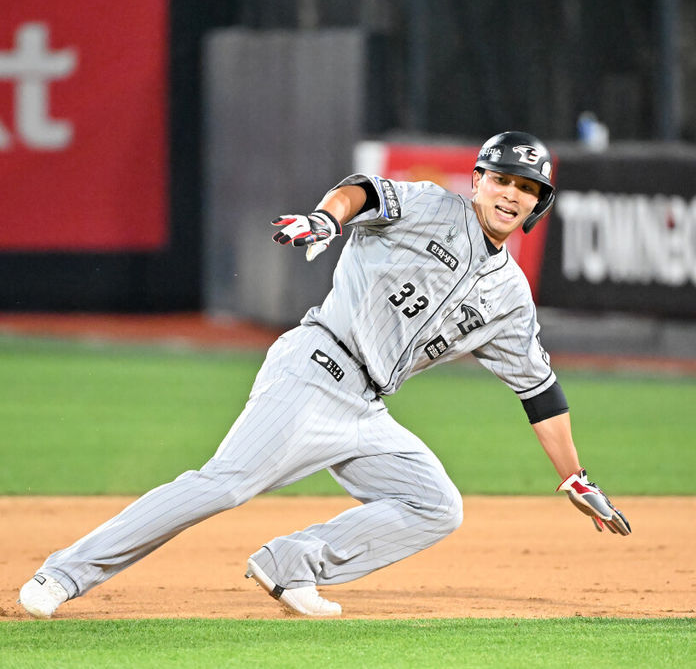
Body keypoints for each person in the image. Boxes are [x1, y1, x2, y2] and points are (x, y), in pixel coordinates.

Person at [18, 131, 630, 619]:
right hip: (316, 367)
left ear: (537, 203)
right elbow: (362, 190)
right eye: (500, 179)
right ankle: (64, 573)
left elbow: (538, 389)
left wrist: (574, 478)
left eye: (526, 187)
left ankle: (292, 564)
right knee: (223, 485)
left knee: (435, 504)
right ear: (477, 181)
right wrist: (326, 219)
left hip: (366, 409)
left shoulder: (511, 297)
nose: (510, 193)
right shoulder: (431, 208)